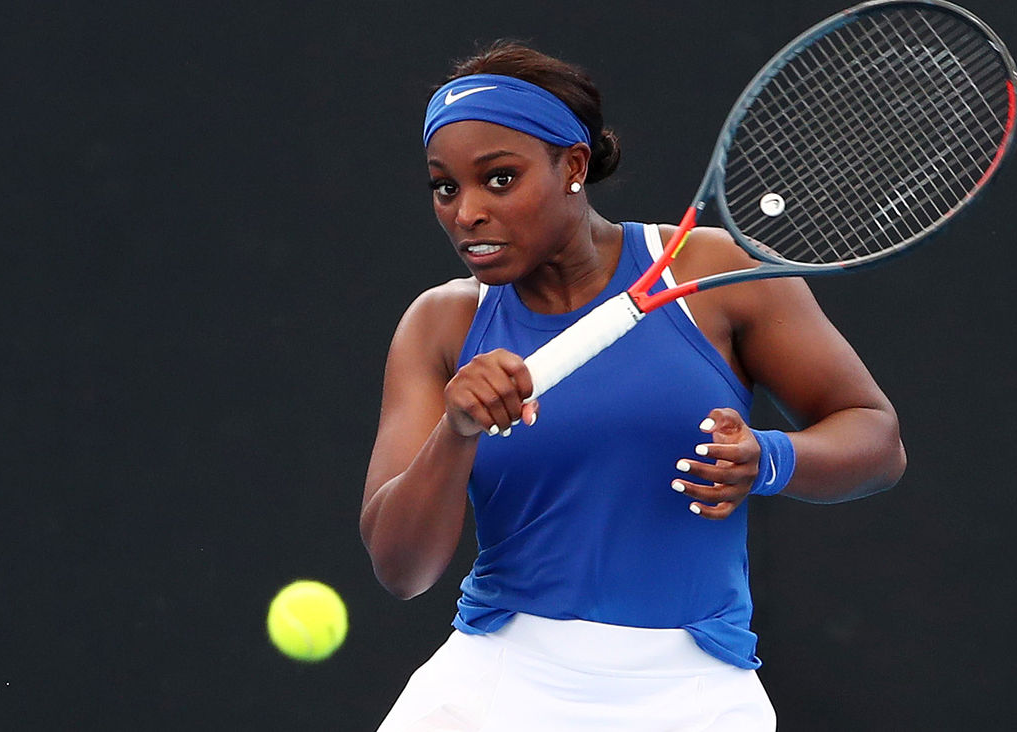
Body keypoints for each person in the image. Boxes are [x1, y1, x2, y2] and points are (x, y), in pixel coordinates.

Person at [361, 41, 906, 731]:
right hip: (497, 686)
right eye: (446, 186)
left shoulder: (709, 272)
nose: (466, 211)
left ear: (574, 167)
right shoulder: (440, 324)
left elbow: (877, 438)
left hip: (695, 694)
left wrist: (769, 459)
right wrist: (455, 431)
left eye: (499, 179)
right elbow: (399, 569)